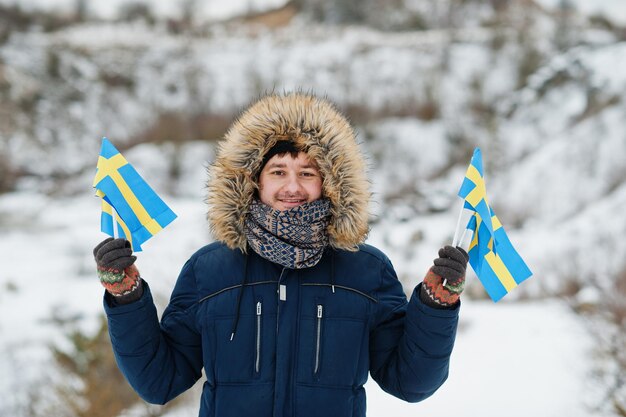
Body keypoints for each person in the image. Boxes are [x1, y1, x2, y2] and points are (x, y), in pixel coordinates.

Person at [93, 92, 469, 417]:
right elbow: (159, 381)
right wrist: (126, 298)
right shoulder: (208, 271)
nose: (293, 187)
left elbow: (410, 382)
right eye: (278, 171)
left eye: (307, 173)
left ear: (329, 182)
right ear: (254, 181)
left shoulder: (366, 271)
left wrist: (435, 306)